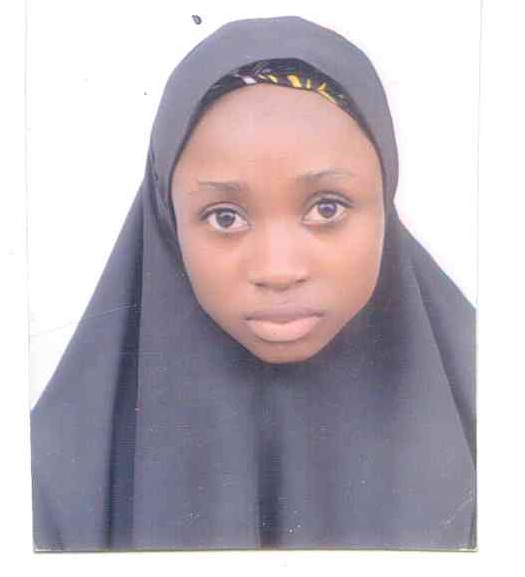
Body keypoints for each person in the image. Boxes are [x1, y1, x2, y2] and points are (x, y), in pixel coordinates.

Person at [30, 16, 475, 551]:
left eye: (327, 208)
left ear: (385, 201)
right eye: (225, 217)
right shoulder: (47, 474)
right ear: (168, 221)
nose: (278, 269)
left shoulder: (496, 413)